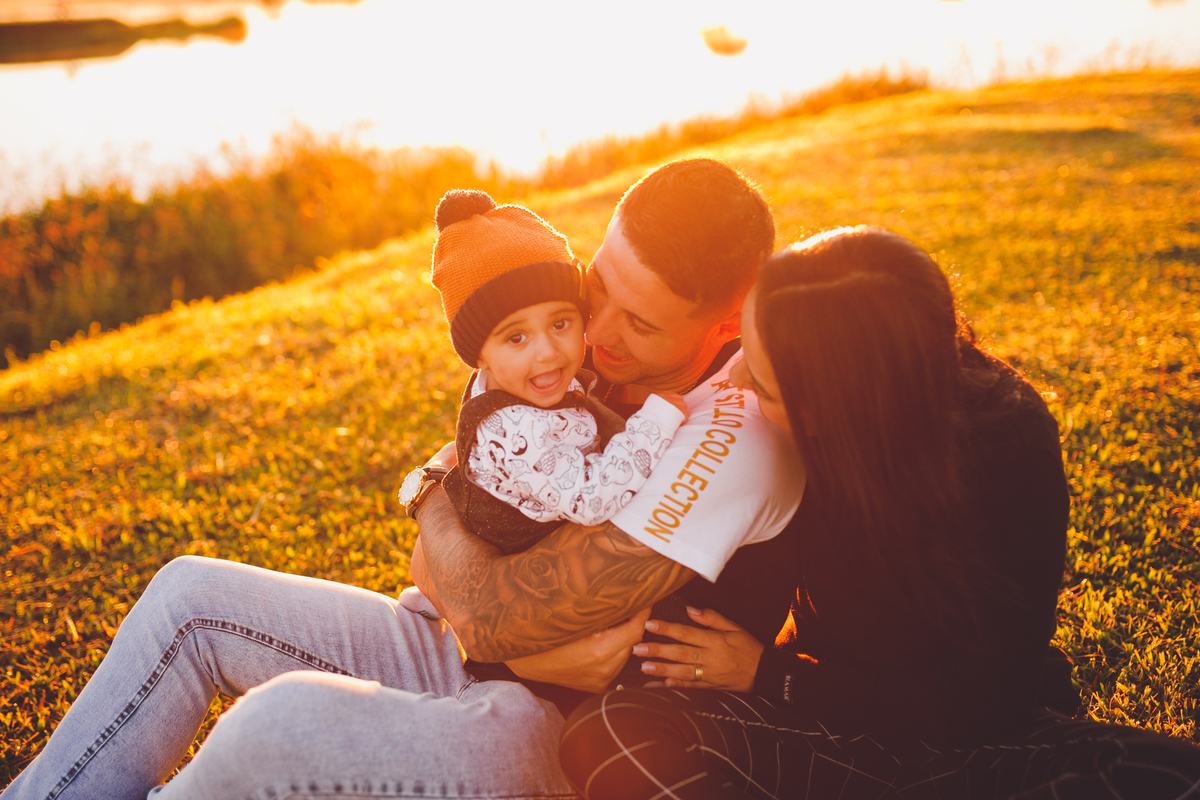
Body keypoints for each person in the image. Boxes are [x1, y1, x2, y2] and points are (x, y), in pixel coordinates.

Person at [2, 158, 794, 800]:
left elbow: (516, 614)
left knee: (275, 731)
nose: (592, 333)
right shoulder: (555, 337)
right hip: (462, 651)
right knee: (188, 599)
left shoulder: (727, 430)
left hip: (552, 730)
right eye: (599, 286)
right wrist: (428, 495)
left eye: (640, 323)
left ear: (721, 328)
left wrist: (449, 534)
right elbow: (443, 565)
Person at [557, 227, 1200, 799]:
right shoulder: (770, 430)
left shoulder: (1006, 443)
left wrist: (766, 673)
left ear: (837, 408)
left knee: (1174, 777)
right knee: (612, 734)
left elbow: (989, 698)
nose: (740, 380)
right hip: (825, 734)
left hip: (970, 748)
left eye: (766, 379)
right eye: (746, 346)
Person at [419, 187, 686, 546]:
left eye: (561, 324)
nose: (547, 352)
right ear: (478, 354)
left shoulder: (516, 380)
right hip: (525, 571)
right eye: (517, 338)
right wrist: (653, 425)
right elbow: (592, 499)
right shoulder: (517, 431)